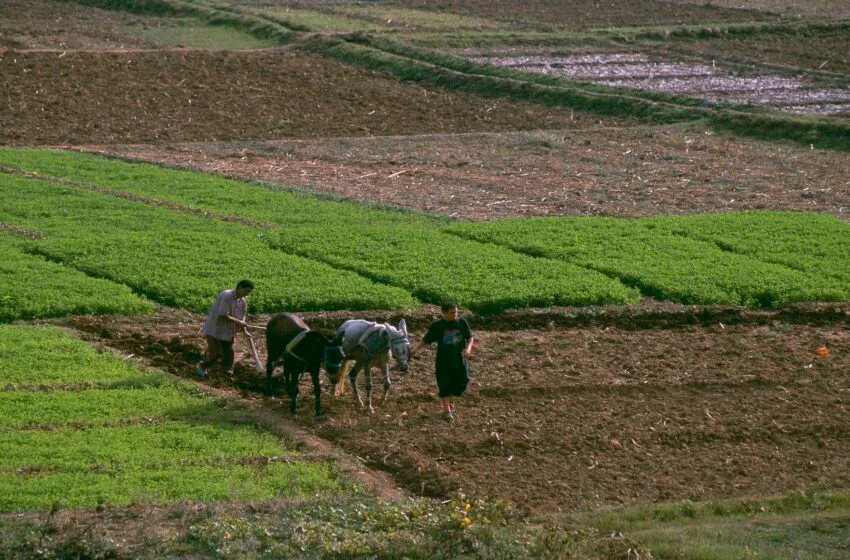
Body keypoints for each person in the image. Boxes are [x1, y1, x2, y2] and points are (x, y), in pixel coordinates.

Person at [412, 301, 474, 423]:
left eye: (456, 312)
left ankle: (450, 399)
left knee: (462, 381)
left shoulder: (462, 323)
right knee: (444, 384)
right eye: (452, 313)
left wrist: (468, 349)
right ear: (444, 313)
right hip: (443, 360)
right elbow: (426, 340)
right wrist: (415, 350)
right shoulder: (438, 326)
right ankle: (446, 411)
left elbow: (470, 337)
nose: (455, 314)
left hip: (459, 360)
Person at [197, 279, 255, 378]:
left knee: (229, 353)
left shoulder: (243, 301)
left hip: (229, 331)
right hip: (215, 329)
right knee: (217, 352)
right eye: (246, 291)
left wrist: (244, 330)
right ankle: (202, 367)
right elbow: (222, 316)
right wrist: (239, 322)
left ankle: (226, 374)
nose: (247, 294)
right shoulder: (226, 295)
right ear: (240, 287)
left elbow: (242, 318)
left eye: (249, 292)